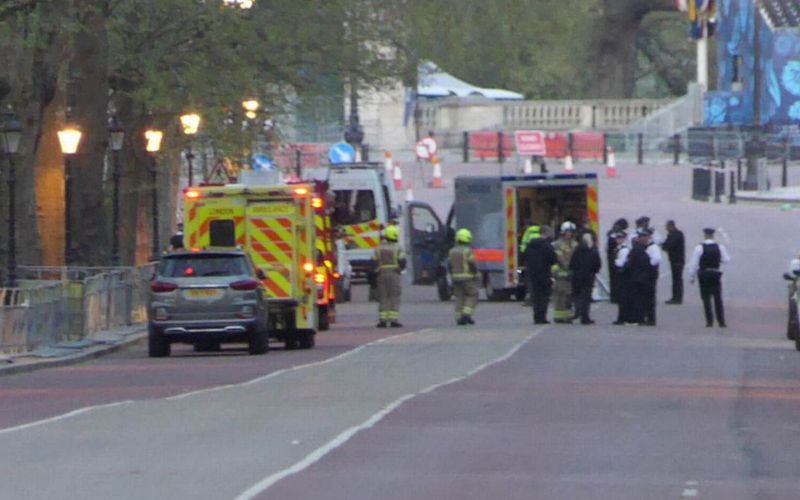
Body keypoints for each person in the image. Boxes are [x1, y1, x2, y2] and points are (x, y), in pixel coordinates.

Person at [688, 227, 730, 328]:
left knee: (706, 298)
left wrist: (691, 276)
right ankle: (721, 321)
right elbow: (726, 259)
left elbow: (694, 263)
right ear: (713, 235)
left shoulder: (699, 247)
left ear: (705, 235)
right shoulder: (719, 247)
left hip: (704, 273)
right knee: (718, 298)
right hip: (715, 273)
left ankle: (709, 321)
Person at [372, 225, 406, 328]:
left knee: (383, 297)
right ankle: (393, 320)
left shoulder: (378, 248)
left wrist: (376, 272)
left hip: (381, 274)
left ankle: (382, 320)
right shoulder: (398, 248)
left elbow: (373, 262)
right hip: (394, 273)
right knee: (394, 296)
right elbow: (402, 261)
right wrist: (399, 270)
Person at [524, 225, 557, 324]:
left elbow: (525, 256)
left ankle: (536, 317)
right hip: (544, 274)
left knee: (536, 296)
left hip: (533, 274)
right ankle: (542, 317)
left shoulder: (530, 245)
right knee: (544, 297)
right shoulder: (547, 246)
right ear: (546, 233)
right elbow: (553, 259)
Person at [627, 227, 661, 325]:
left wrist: (649, 266)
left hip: (649, 276)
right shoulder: (642, 247)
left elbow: (656, 260)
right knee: (643, 298)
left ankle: (650, 319)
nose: (641, 239)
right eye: (641, 237)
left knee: (648, 298)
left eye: (643, 236)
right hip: (643, 276)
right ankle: (644, 318)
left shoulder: (652, 247)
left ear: (648, 237)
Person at [569, 231, 602, 324]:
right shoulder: (593, 250)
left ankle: (577, 311)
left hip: (577, 276)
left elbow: (572, 263)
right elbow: (597, 264)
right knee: (586, 297)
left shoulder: (577, 250)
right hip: (588, 277)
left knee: (577, 295)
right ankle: (585, 317)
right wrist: (594, 271)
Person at [448, 228, 479, 325]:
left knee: (459, 297)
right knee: (472, 295)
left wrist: (452, 275)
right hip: (468, 278)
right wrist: (475, 273)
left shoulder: (452, 251)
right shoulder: (467, 251)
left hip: (455, 278)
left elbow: (449, 265)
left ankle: (459, 317)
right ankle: (466, 314)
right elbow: (472, 263)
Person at [552, 221, 579, 323]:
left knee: (569, 296)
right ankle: (559, 317)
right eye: (568, 231)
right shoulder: (556, 244)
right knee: (560, 296)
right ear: (563, 232)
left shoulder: (575, 244)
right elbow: (557, 259)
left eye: (571, 232)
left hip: (571, 275)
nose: (570, 234)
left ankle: (568, 316)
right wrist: (555, 272)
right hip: (560, 275)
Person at [612, 230, 635, 325]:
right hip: (620, 274)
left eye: (620, 238)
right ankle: (621, 317)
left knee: (623, 298)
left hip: (623, 275)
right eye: (617, 238)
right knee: (621, 297)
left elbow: (621, 263)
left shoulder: (624, 250)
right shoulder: (619, 248)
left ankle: (622, 317)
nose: (618, 240)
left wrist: (616, 264)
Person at [662, 219, 685, 305]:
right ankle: (676, 297)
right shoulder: (677, 234)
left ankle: (677, 298)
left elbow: (668, 245)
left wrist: (663, 246)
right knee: (676, 279)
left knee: (677, 280)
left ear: (670, 226)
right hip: (676, 260)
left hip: (677, 260)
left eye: (667, 227)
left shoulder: (674, 235)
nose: (666, 228)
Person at [606, 218, 628, 304]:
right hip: (614, 258)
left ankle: (614, 296)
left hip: (612, 258)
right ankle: (616, 296)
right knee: (617, 279)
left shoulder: (611, 234)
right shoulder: (614, 236)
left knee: (613, 279)